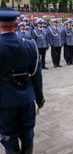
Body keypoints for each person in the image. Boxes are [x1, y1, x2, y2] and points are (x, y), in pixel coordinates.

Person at [0, 8, 45, 154]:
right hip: (27, 99)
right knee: (27, 133)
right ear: (16, 24)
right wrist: (39, 97)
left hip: (4, 102)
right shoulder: (30, 44)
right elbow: (36, 74)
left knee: (8, 136)